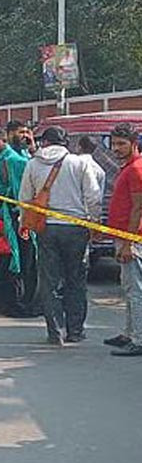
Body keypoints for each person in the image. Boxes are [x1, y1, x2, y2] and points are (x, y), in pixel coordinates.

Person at [19, 125, 102, 345]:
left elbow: (25, 197)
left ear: (44, 142)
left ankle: (54, 331)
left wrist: (23, 222)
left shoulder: (33, 164)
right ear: (66, 143)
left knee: (49, 281)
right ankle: (75, 330)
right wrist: (94, 223)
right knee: (76, 280)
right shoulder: (80, 163)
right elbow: (93, 197)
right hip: (76, 228)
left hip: (46, 228)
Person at [0, 127, 37, 317]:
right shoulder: (1, 159)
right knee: (6, 258)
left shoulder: (14, 160)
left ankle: (15, 301)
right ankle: (6, 301)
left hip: (13, 216)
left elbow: (18, 193)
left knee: (16, 260)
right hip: (3, 214)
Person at [104, 123, 142, 356]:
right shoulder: (127, 168)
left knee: (135, 290)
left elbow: (138, 208)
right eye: (114, 144)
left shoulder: (136, 169)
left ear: (134, 144)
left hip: (133, 239)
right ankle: (129, 333)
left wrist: (129, 242)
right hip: (123, 236)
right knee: (128, 288)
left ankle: (138, 339)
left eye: (121, 144)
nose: (116, 148)